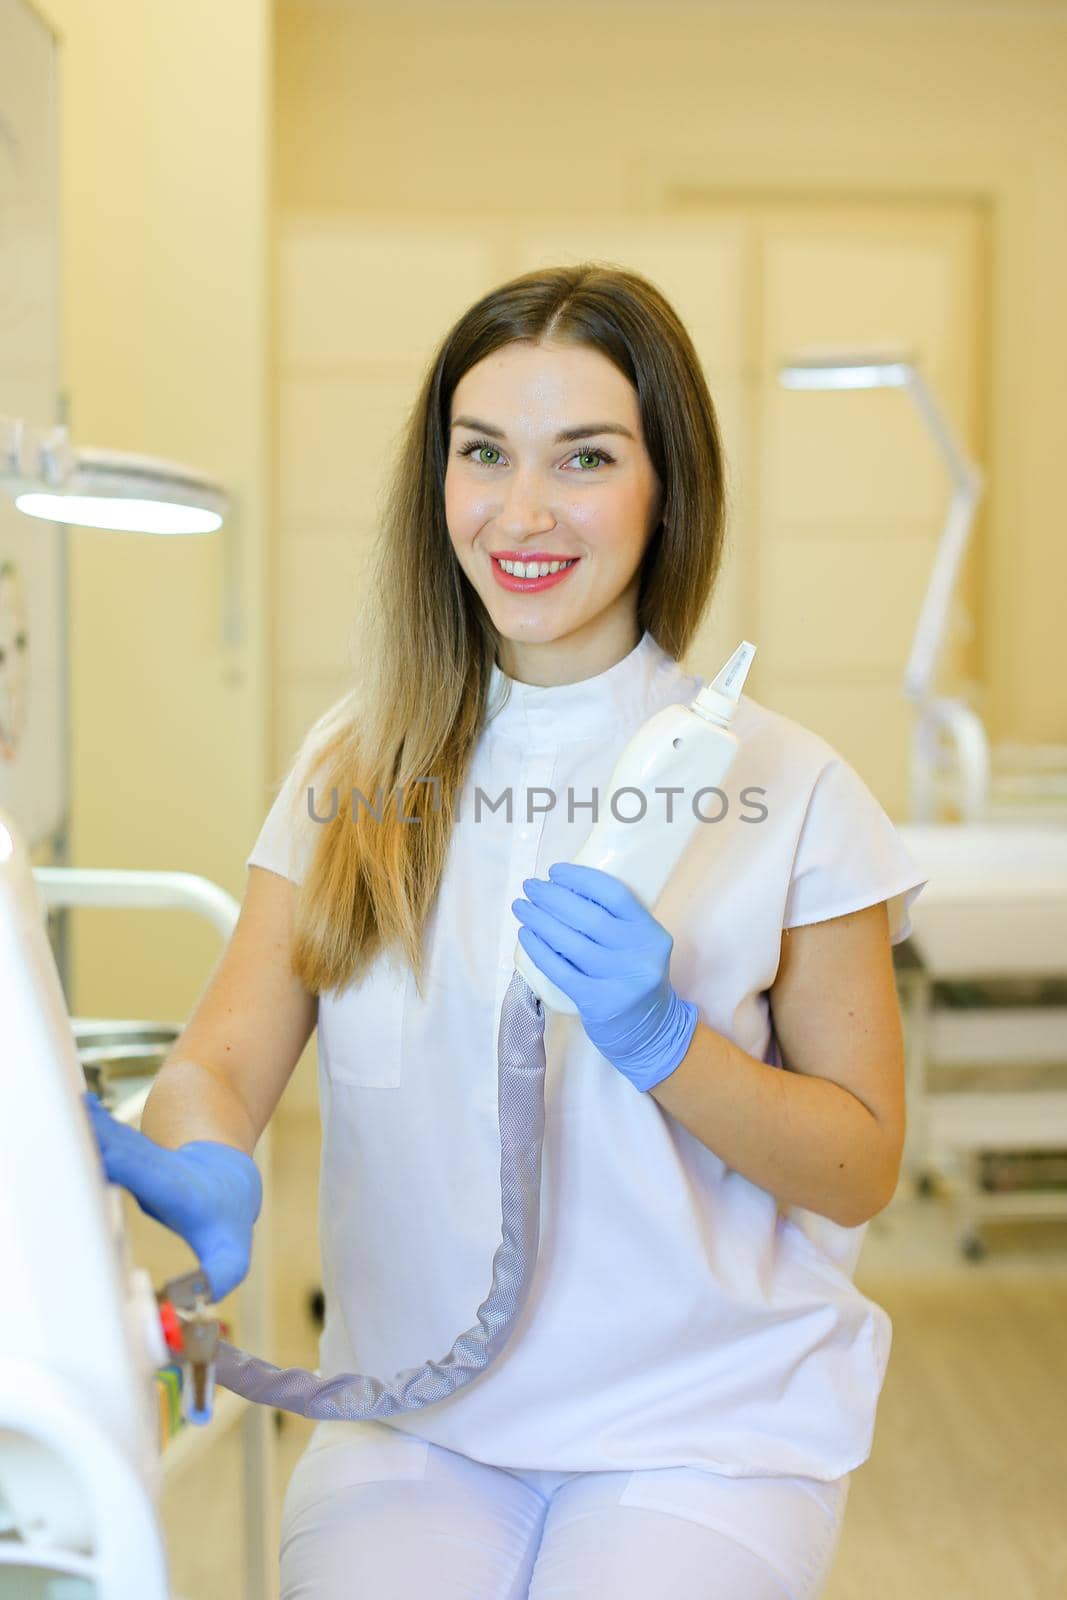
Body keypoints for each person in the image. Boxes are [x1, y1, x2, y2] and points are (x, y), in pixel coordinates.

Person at [87, 263, 928, 1599]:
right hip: (414, 1414)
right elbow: (223, 1064)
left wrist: (669, 1044)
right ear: (439, 482)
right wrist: (203, 1157)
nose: (521, 512)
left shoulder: (789, 786)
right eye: (484, 455)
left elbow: (861, 1167)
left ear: (666, 488)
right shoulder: (356, 765)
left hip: (704, 1428)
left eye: (583, 459)